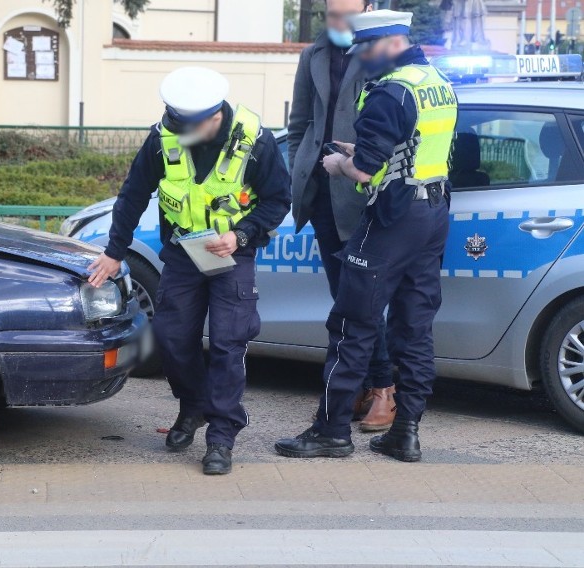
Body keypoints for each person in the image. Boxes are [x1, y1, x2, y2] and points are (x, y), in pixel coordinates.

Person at [88, 67, 291, 475]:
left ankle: (221, 436)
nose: (180, 134)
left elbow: (278, 199)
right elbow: (132, 194)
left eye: (189, 128)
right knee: (171, 338)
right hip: (183, 254)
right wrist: (114, 252)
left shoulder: (254, 140)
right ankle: (193, 405)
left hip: (232, 254)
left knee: (228, 344)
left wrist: (242, 234)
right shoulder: (166, 134)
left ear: (214, 117)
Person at [275, 10, 455, 462]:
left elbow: (364, 170)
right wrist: (369, 154)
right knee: (414, 328)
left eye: (367, 50)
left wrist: (340, 164)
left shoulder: (390, 92)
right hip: (432, 214)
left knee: (351, 322)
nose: (363, 59)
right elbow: (415, 146)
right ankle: (406, 433)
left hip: (391, 217)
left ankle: (331, 431)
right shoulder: (435, 82)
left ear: (390, 42)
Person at [288, 0, 396, 432]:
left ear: (368, 8)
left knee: (363, 298)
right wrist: (301, 168)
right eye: (331, 15)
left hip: (364, 192)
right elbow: (299, 123)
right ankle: (360, 388)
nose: (337, 24)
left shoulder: (383, 52)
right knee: (345, 297)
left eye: (346, 16)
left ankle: (383, 388)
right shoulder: (312, 55)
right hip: (322, 194)